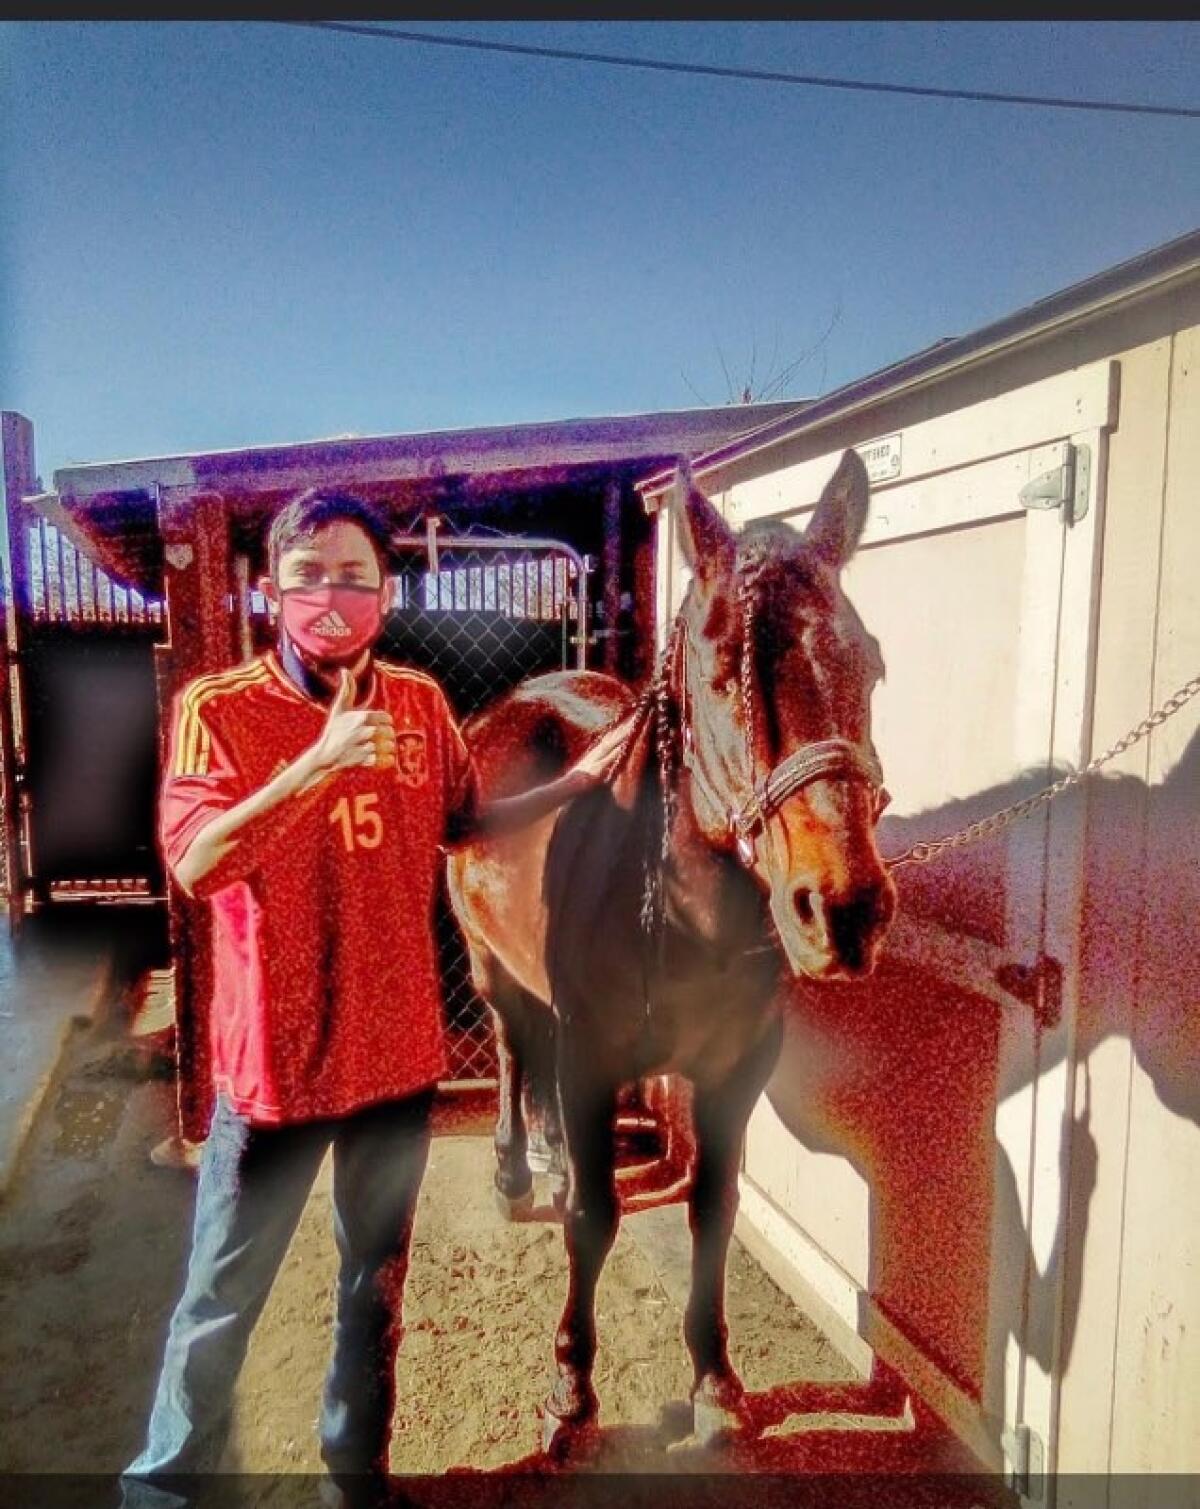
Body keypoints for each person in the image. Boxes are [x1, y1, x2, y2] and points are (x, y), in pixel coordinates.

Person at [121, 490, 626, 1509]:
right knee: (222, 1300)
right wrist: (308, 768)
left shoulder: (417, 703)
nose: (333, 596)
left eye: (356, 576)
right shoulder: (217, 709)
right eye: (309, 574)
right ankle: (166, 1491)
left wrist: (573, 788)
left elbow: (460, 821)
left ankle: (357, 1480)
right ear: (270, 591)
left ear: (385, 593)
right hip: (277, 1068)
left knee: (372, 1295)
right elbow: (198, 863)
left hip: (395, 1060)